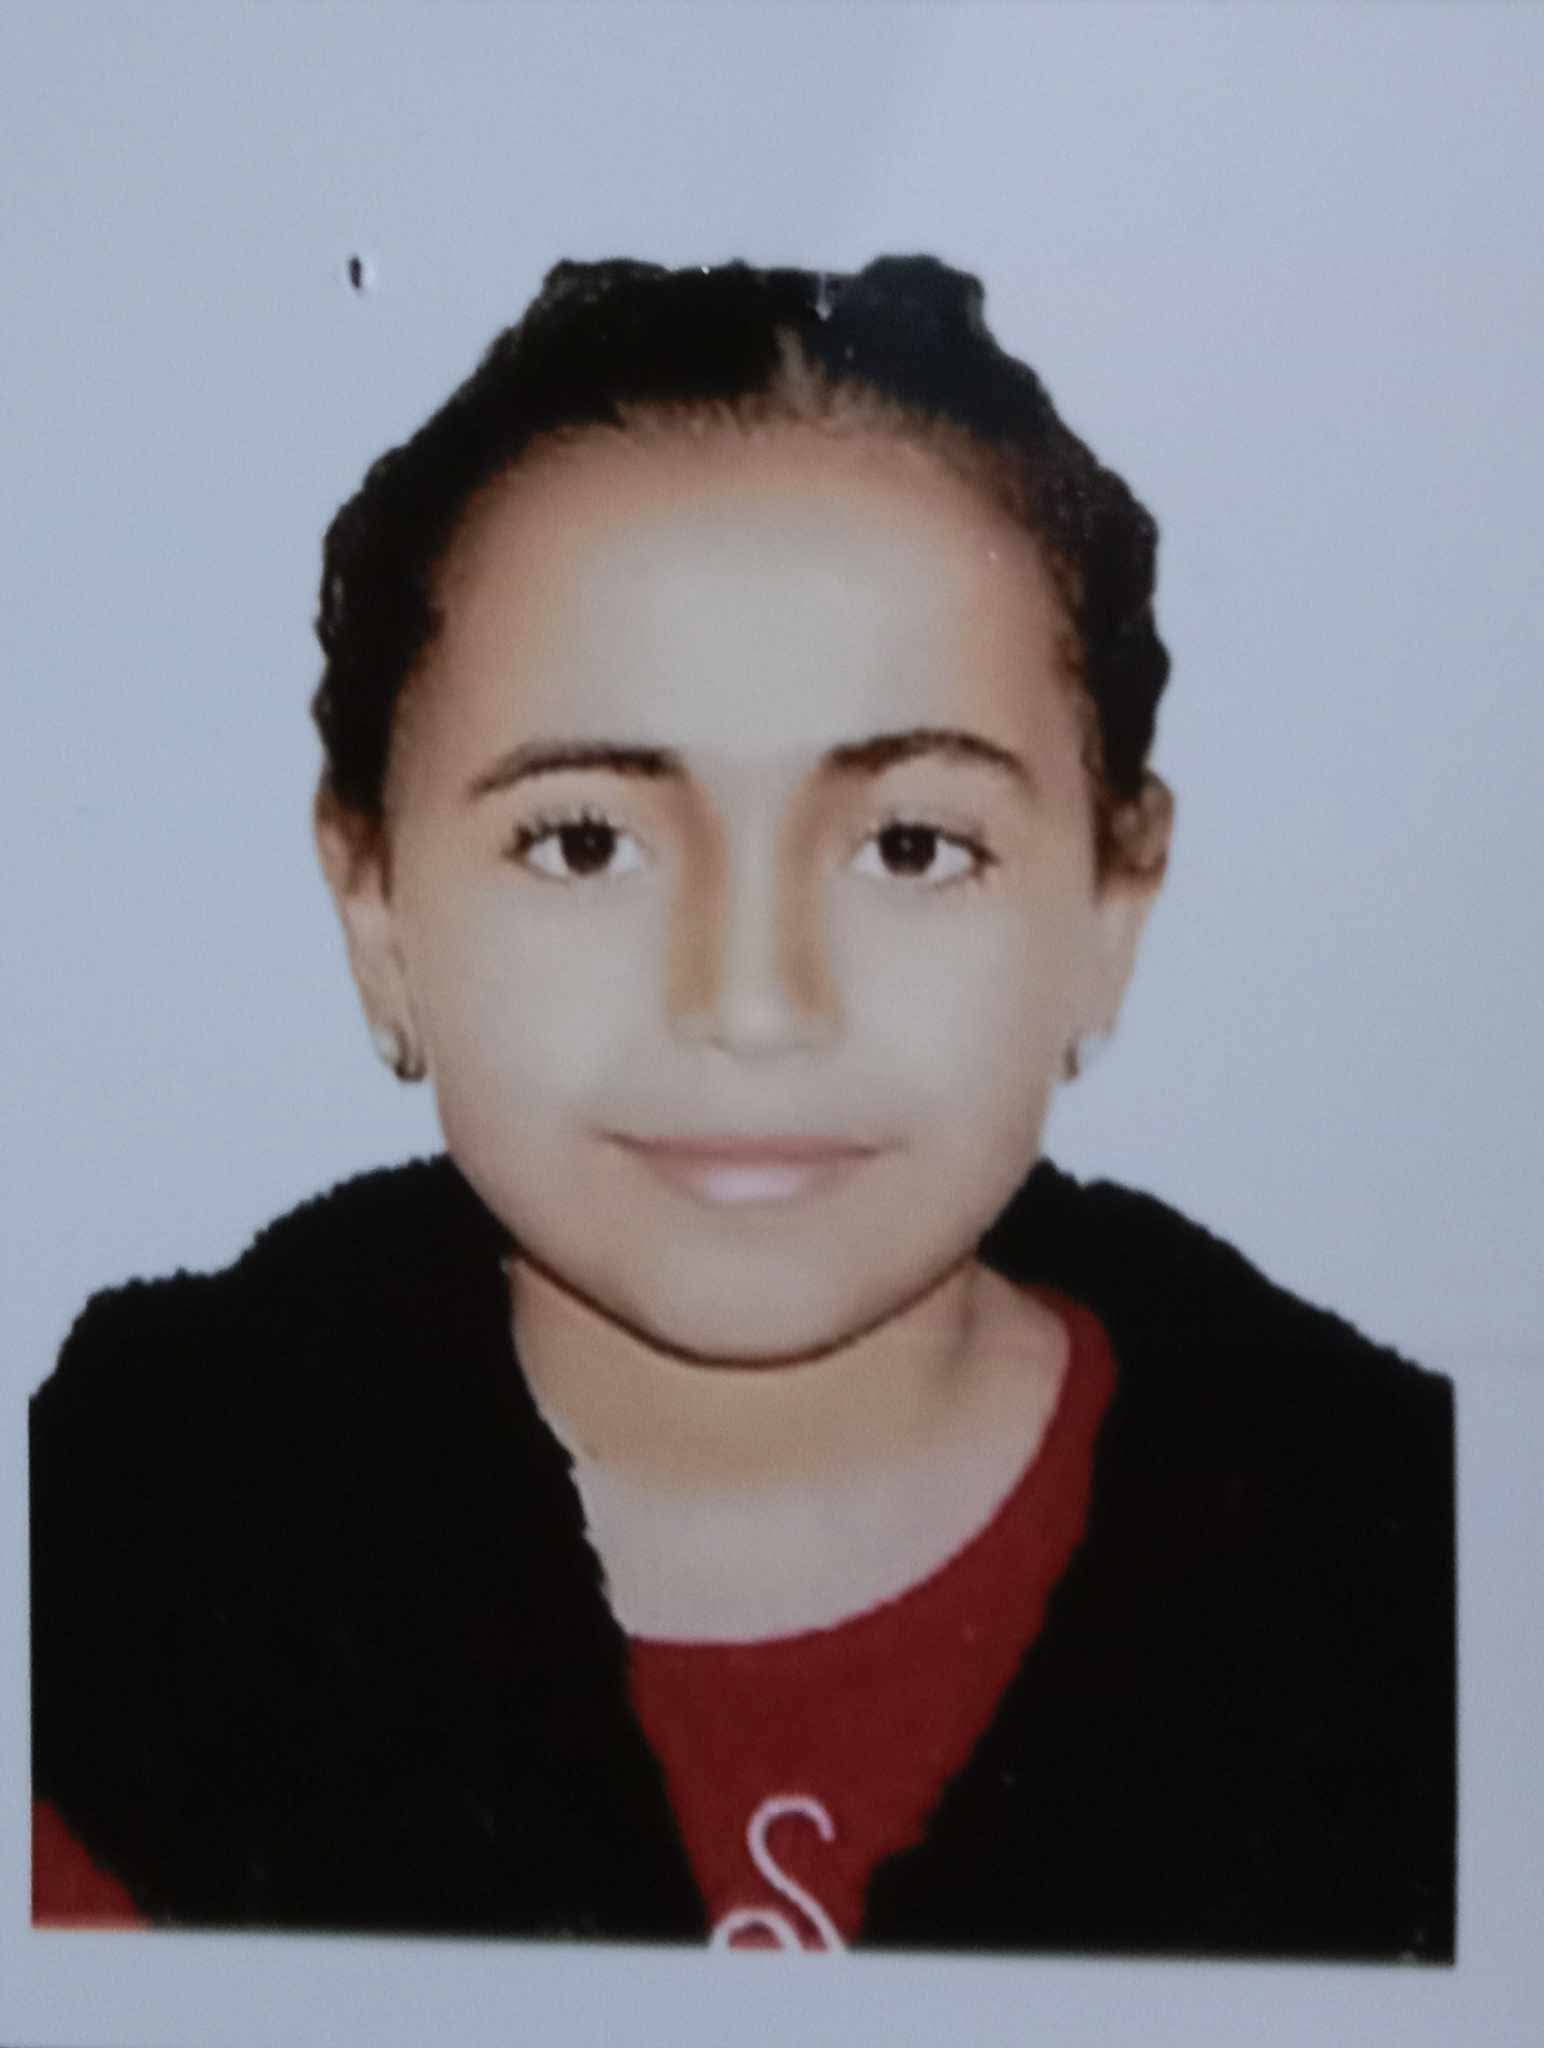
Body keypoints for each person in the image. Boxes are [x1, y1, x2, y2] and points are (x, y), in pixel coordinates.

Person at [29, 256, 1454, 1958]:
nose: (755, 1001)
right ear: (377, 906)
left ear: (1110, 907)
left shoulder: (1422, 1609)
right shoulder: (100, 1612)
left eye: (911, 847)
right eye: (585, 843)